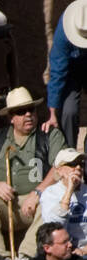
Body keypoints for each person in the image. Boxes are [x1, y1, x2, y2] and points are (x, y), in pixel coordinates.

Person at [0, 88, 65, 260]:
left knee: (55, 196)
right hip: (6, 204)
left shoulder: (49, 135)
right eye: (21, 112)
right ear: (11, 117)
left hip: (37, 203)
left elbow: (61, 166)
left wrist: (38, 192)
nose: (28, 114)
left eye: (31, 109)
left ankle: (26, 257)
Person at [45, 0, 87, 161]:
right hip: (72, 69)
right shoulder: (64, 31)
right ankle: (70, 156)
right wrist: (52, 112)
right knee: (69, 112)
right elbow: (57, 72)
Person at [37, 149, 87, 254]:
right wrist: (69, 190)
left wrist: (84, 250)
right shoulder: (50, 193)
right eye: (72, 164)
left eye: (80, 164)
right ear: (59, 170)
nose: (78, 167)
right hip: (61, 251)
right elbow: (53, 228)